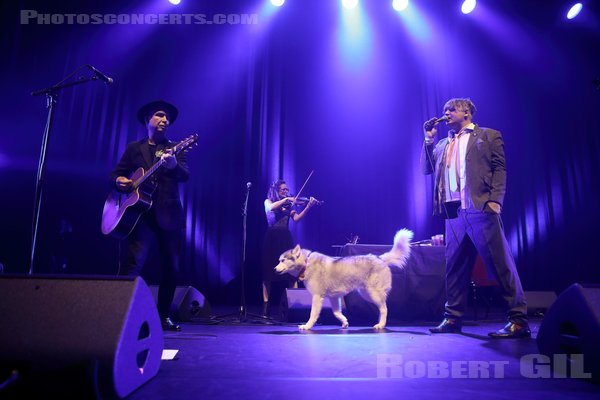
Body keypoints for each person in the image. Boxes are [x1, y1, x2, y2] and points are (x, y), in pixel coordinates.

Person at [420, 97, 529, 338]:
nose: (446, 113)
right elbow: (427, 169)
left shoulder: (488, 135)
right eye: (444, 110)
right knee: (455, 268)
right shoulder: (441, 145)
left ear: (466, 112)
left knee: (500, 265)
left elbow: (500, 169)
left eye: (451, 109)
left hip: (480, 208)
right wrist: (428, 139)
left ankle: (519, 320)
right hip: (453, 212)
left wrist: (495, 200)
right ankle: (452, 318)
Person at [110, 100, 189, 331]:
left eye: (167, 118)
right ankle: (124, 314)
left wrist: (173, 164)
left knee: (171, 269)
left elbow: (185, 176)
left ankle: (163, 316)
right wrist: (119, 181)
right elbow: (115, 174)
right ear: (148, 119)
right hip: (139, 216)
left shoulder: (177, 147)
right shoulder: (134, 148)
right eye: (160, 115)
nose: (165, 120)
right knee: (133, 265)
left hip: (169, 214)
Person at [261, 180, 317, 317]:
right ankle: (265, 308)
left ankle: (294, 307)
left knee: (292, 273)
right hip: (271, 239)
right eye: (283, 190)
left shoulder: (288, 206)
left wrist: (308, 206)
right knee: (268, 275)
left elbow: (297, 219)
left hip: (285, 238)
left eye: (287, 190)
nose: (286, 192)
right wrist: (287, 199)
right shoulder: (268, 201)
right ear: (276, 190)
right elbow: (271, 208)